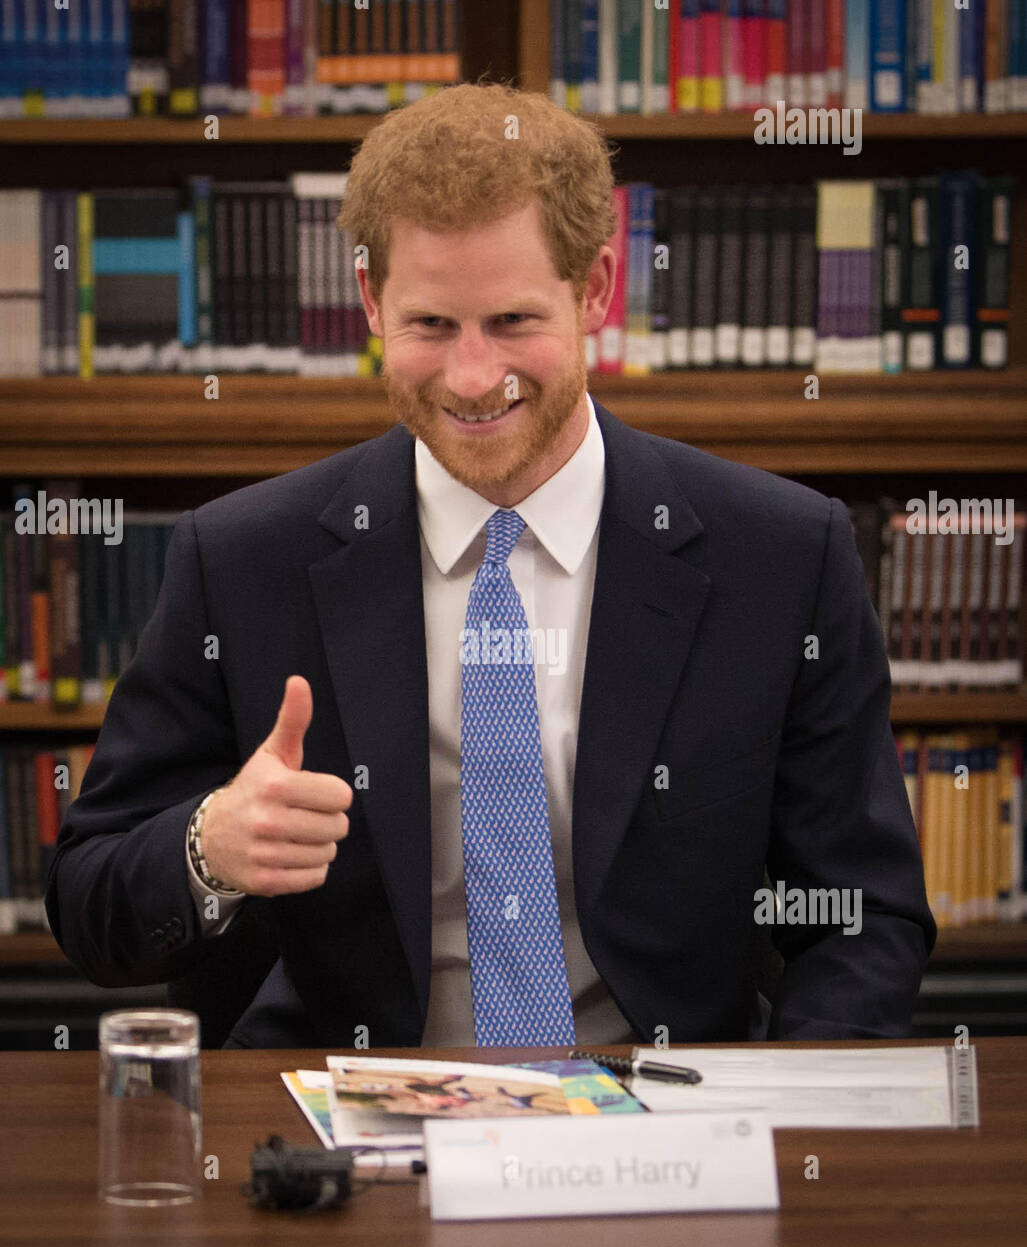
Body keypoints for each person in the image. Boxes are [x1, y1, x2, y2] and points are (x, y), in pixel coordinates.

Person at [45, 82, 935, 1050]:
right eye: (430, 325)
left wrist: (784, 1126)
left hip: (672, 1125)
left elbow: (861, 917)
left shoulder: (782, 554)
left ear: (594, 289)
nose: (473, 379)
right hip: (343, 1138)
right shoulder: (241, 558)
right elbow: (90, 900)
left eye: (512, 321)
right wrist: (207, 850)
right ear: (371, 300)